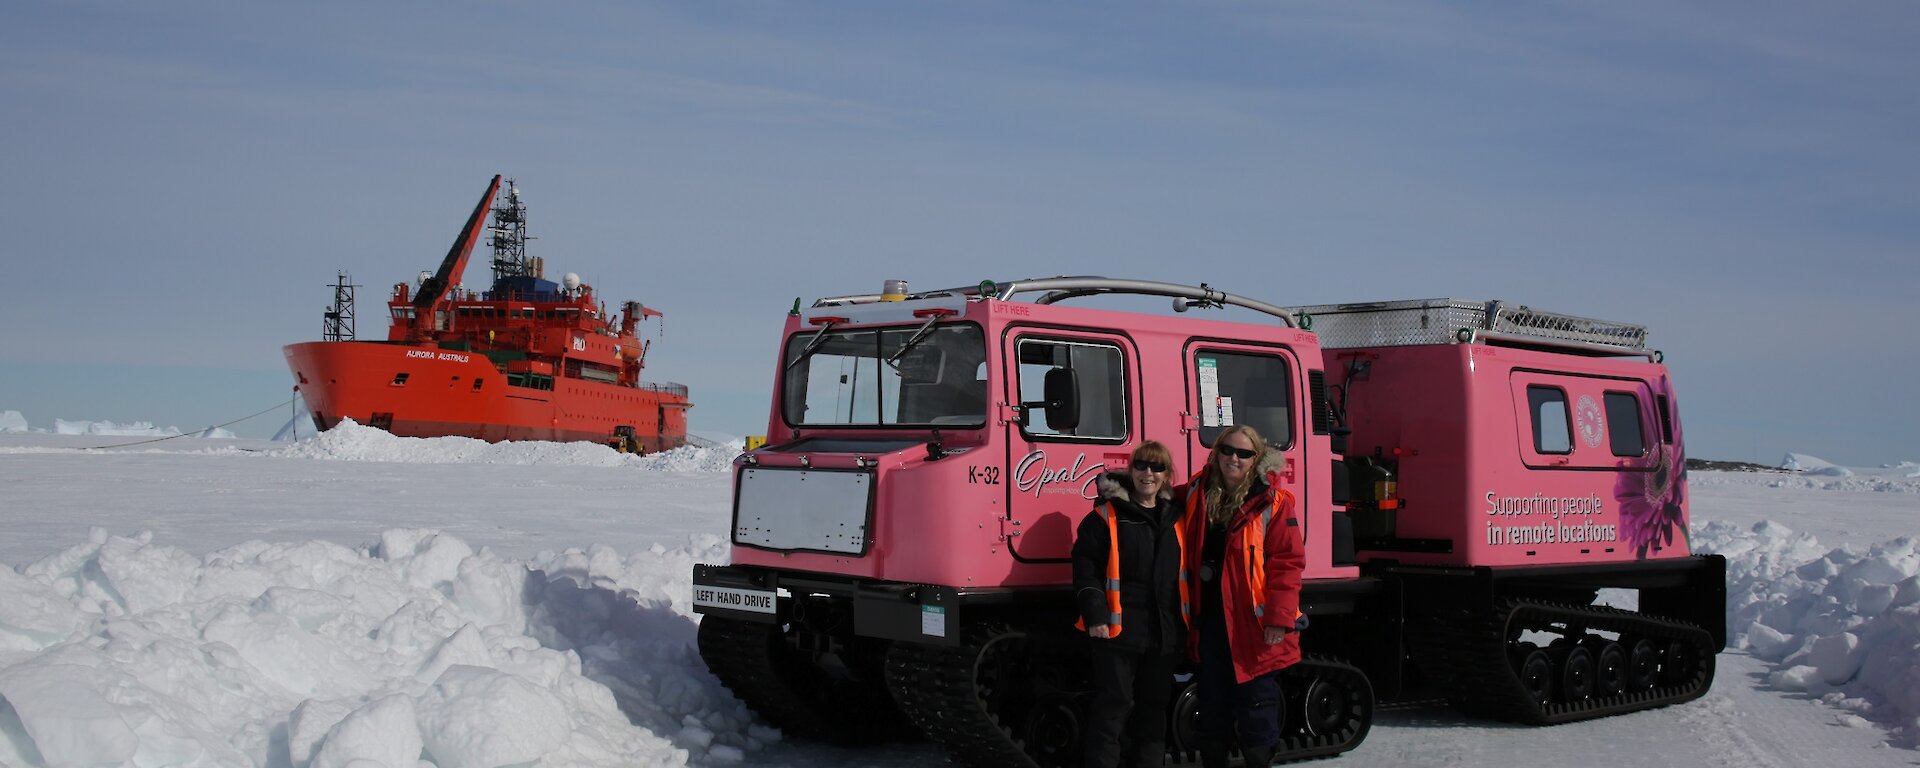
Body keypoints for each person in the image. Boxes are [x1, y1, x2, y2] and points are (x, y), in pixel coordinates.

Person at [1177, 425, 1305, 768]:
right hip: (1211, 623)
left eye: (1245, 453)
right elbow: (1154, 495)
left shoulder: (1273, 503)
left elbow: (1287, 564)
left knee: (1257, 711)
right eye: (1228, 450)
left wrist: (1278, 619)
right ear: (1217, 452)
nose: (1234, 458)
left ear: (1256, 459)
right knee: (1212, 710)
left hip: (1255, 627)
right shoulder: (1195, 492)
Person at [1072, 440, 1189, 768]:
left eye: (1157, 467)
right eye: (1141, 465)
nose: (1148, 473)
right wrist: (1095, 614)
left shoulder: (1177, 519)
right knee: (1114, 706)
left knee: (1154, 711)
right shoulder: (1105, 516)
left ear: (1167, 475)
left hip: (1163, 634)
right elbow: (1085, 568)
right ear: (1131, 470)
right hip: (1117, 633)